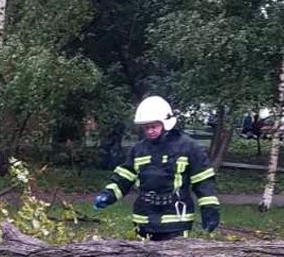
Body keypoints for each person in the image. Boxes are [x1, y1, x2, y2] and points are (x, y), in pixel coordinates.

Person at [92, 96, 220, 241]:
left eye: (154, 127)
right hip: (144, 218)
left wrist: (210, 208)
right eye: (146, 128)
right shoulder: (139, 149)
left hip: (175, 219)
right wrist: (108, 195)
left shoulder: (189, 147)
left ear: (166, 123)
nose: (150, 131)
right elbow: (125, 177)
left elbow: (203, 181)